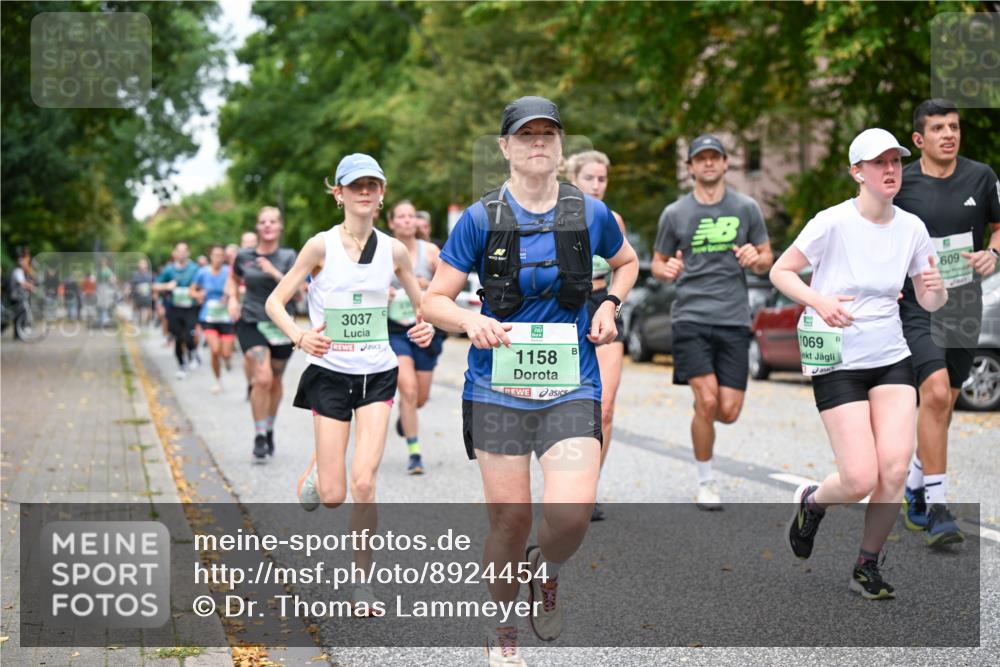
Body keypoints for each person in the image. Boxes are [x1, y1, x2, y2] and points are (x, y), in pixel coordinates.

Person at [422, 96, 638, 665]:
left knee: (569, 516)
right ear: (506, 147)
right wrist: (470, 319)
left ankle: (550, 567)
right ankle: (503, 631)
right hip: (497, 384)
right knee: (512, 520)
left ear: (560, 146)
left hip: (571, 380)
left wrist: (610, 305)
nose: (537, 143)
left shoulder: (589, 212)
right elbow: (432, 299)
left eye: (548, 134)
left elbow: (629, 261)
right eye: (526, 135)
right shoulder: (480, 217)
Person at [773, 128, 947, 600]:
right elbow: (781, 271)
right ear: (857, 172)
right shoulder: (832, 222)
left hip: (891, 356)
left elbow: (931, 300)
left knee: (892, 471)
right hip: (838, 358)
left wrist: (934, 285)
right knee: (858, 478)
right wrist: (820, 301)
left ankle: (866, 565)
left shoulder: (912, 227)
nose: (891, 170)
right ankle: (813, 503)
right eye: (879, 163)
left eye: (896, 161)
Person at [265, 153, 434, 614]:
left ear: (381, 194)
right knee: (335, 496)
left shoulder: (395, 251)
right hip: (330, 375)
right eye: (354, 185)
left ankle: (364, 585)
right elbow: (275, 303)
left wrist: (426, 326)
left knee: (364, 483)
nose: (364, 192)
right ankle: (320, 471)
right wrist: (300, 336)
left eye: (372, 185)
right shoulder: (319, 247)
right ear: (337, 194)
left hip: (378, 374)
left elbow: (427, 305)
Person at [895, 99, 1000, 547]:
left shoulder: (982, 177)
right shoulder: (901, 182)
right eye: (938, 128)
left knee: (946, 401)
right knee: (934, 393)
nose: (949, 134)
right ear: (919, 139)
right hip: (918, 304)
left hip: (963, 303)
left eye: (954, 127)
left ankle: (915, 486)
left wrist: (992, 253)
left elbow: (998, 227)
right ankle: (937, 507)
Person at [651, 134, 772, 510]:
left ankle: (702, 415)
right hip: (691, 317)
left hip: (734, 318)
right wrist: (665, 268)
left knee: (728, 412)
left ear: (725, 164)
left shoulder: (747, 208)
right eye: (699, 158)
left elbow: (768, 257)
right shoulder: (675, 214)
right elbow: (656, 263)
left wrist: (757, 257)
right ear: (689, 168)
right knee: (707, 400)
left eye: (714, 157)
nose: (707, 163)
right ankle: (706, 482)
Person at [566, 150, 627, 522]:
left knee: (603, 407)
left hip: (604, 306)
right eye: (589, 178)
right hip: (564, 310)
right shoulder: (556, 217)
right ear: (573, 179)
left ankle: (589, 488)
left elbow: (626, 266)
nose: (597, 185)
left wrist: (614, 302)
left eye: (602, 179)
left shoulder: (612, 219)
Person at [227, 208, 298, 461]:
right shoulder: (243, 255)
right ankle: (258, 435)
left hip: (280, 323)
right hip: (251, 321)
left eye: (273, 222)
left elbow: (298, 292)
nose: (267, 225)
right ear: (258, 227)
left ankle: (269, 428)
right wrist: (233, 300)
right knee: (263, 378)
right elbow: (233, 280)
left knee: (276, 381)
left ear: (280, 227)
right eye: (263, 222)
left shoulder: (289, 256)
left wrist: (273, 272)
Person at [386, 199, 446, 474]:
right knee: (407, 389)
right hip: (395, 329)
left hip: (425, 329)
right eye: (401, 216)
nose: (407, 220)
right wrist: (381, 292)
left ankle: (406, 415)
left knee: (419, 397)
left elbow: (448, 284)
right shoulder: (381, 250)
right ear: (392, 222)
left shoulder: (430, 251)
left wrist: (428, 283)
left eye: (411, 215)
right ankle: (414, 453)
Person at [192, 245, 235, 394]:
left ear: (224, 257)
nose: (218, 258)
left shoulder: (229, 271)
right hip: (208, 316)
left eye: (221, 255)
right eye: (215, 255)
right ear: (210, 256)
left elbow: (235, 287)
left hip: (226, 317)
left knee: (226, 353)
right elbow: (192, 290)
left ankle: (228, 360)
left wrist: (229, 294)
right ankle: (218, 381)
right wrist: (198, 295)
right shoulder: (202, 272)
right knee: (215, 350)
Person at [154, 243, 200, 379]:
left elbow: (202, 284)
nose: (181, 254)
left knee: (188, 335)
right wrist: (167, 285)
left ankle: (192, 351)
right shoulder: (169, 270)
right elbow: (155, 286)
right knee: (178, 337)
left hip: (190, 308)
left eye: (184, 251)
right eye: (178, 251)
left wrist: (197, 292)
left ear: (188, 253)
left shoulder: (195, 268)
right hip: (174, 308)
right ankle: (182, 365)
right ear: (175, 253)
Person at [237, 230, 259, 400]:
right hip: (244, 313)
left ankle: (260, 382)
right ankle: (251, 383)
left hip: (266, 315)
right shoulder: (238, 261)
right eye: (246, 242)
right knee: (249, 355)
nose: (250, 245)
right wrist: (232, 299)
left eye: (253, 242)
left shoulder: (264, 259)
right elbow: (230, 282)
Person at [129, 259, 154, 328]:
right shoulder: (135, 275)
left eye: (144, 264)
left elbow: (153, 285)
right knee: (139, 310)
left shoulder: (150, 275)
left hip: (148, 295)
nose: (142, 266)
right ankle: (140, 323)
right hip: (138, 295)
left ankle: (147, 323)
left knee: (149, 310)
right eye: (141, 264)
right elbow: (132, 285)